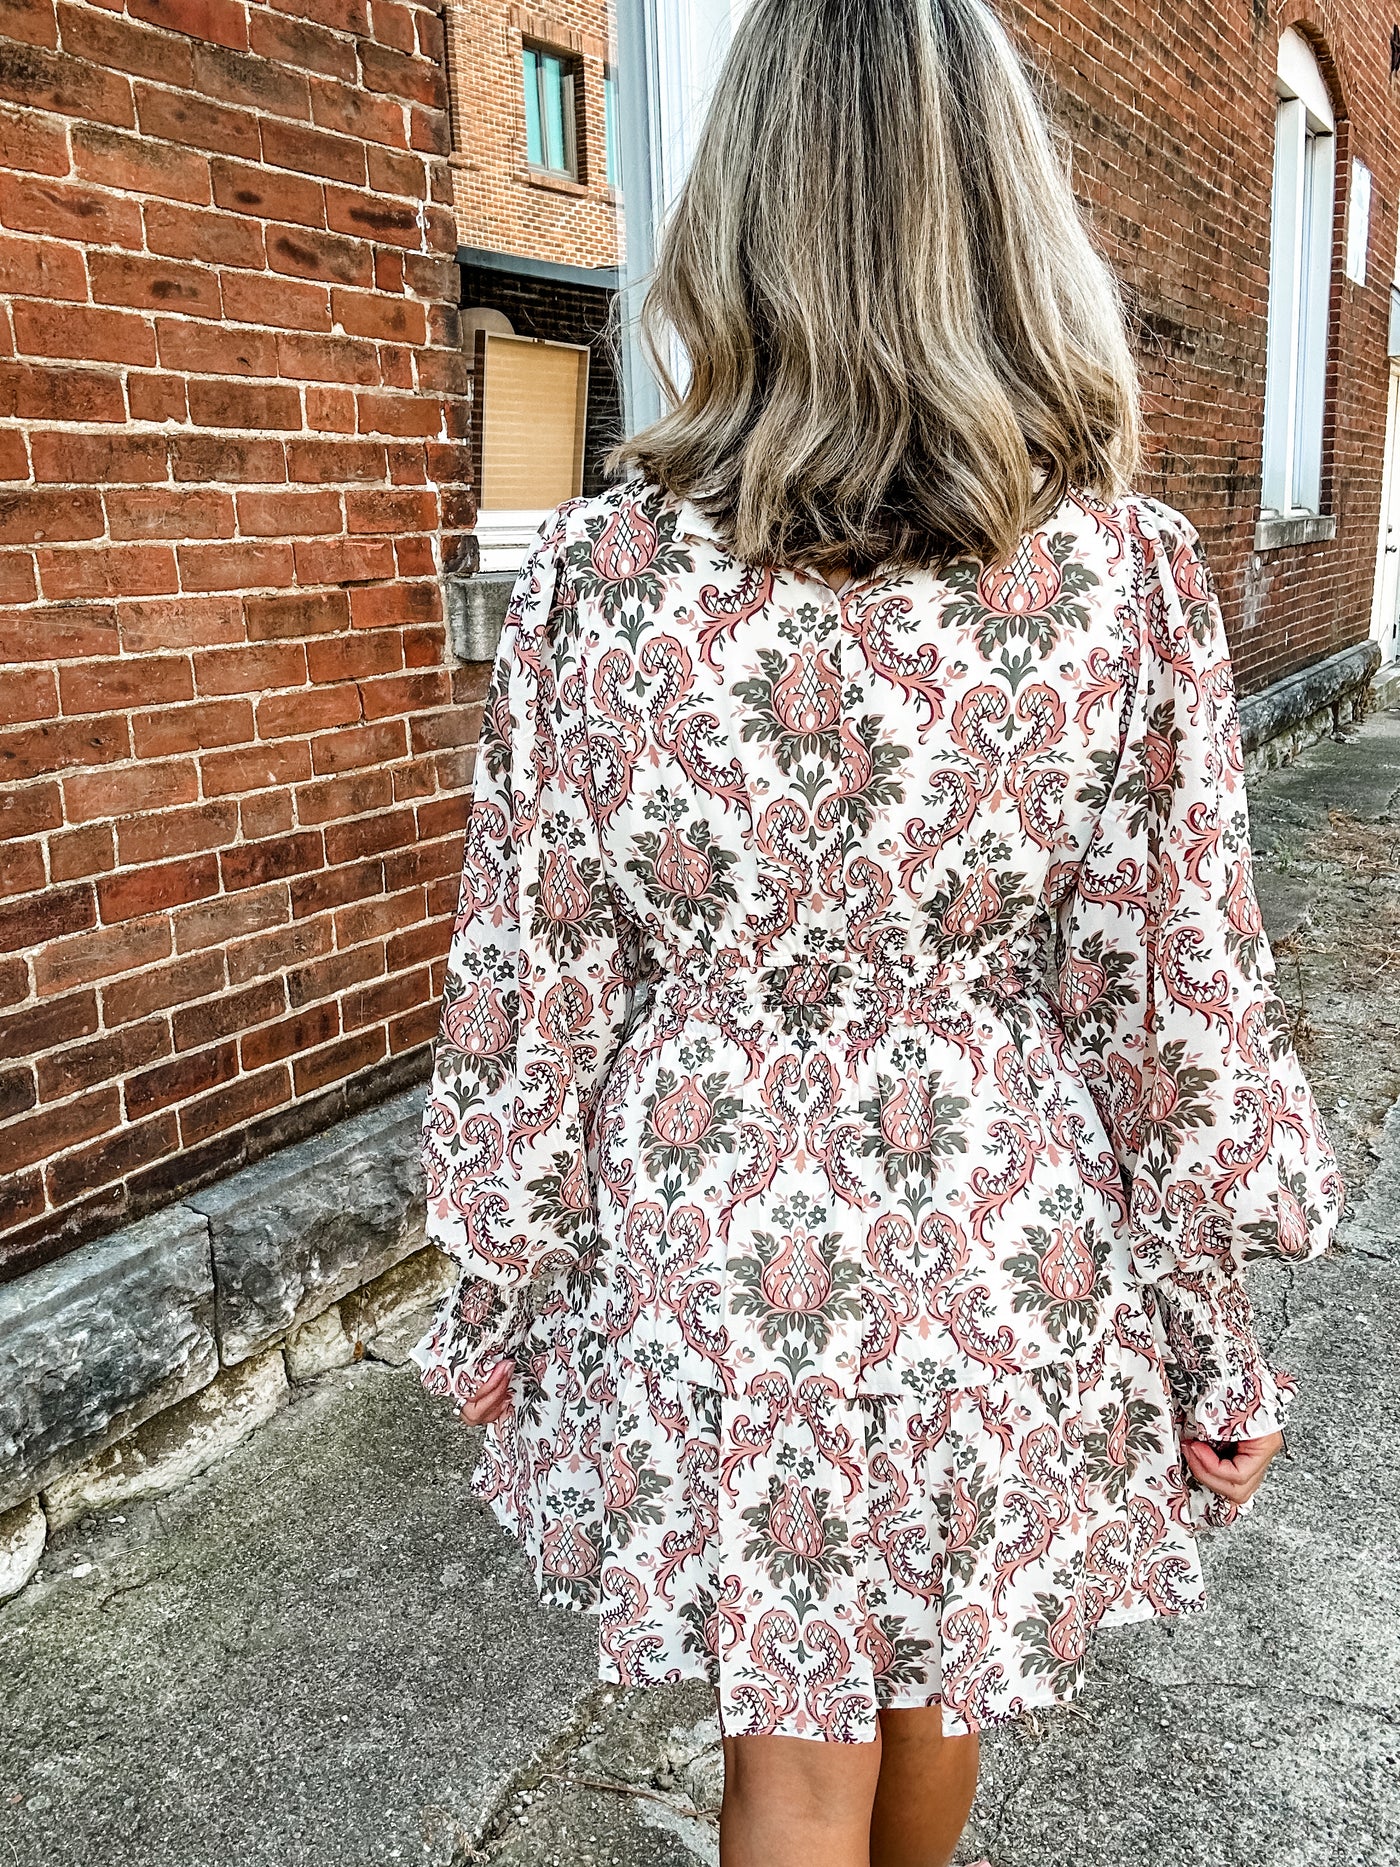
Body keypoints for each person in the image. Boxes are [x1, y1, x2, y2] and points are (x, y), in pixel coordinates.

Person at [409, 1, 1343, 1860]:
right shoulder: (1124, 580)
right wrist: (1206, 1337)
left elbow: (541, 978)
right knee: (936, 1677)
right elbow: (1164, 1002)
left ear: (741, 209)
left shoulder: (601, 580)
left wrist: (496, 1291)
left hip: (719, 1226)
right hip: (997, 1225)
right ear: (1006, 214)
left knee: (793, 1734)